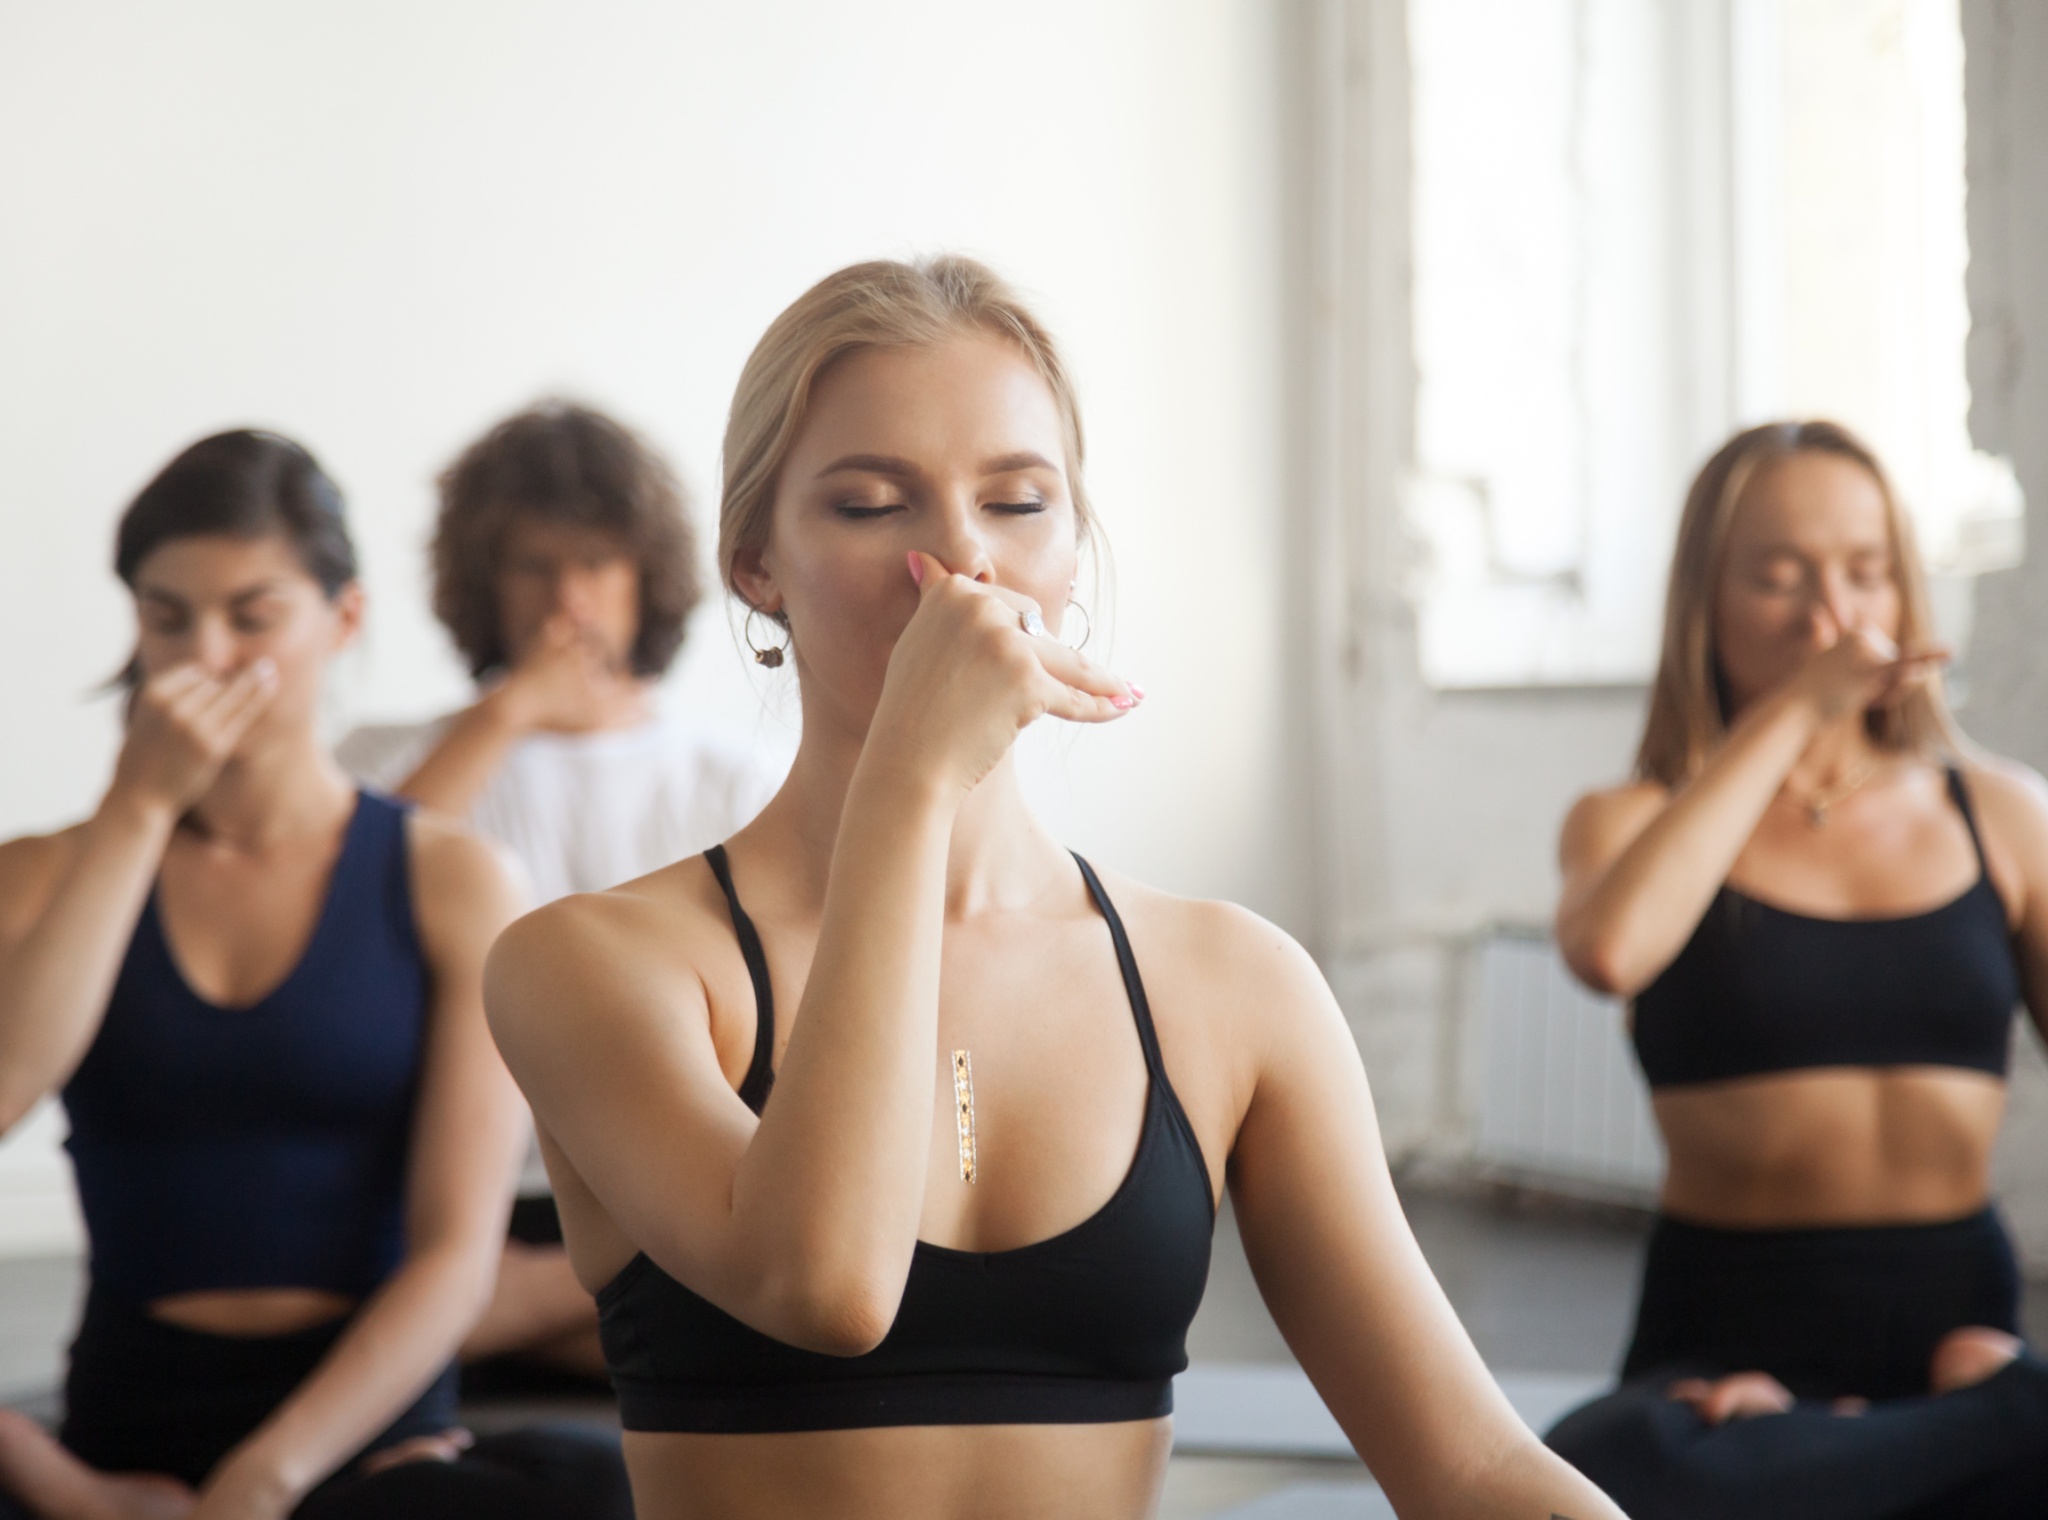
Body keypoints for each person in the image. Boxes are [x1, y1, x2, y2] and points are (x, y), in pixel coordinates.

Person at [483, 256, 1627, 1520]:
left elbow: (1467, 1463)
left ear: (1072, 550)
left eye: (1019, 501)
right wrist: (909, 790)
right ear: (757, 563)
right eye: (870, 506)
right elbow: (828, 1284)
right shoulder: (594, 961)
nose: (961, 560)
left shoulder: (1230, 984)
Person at [0, 431, 632, 1520]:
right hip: (116, 1445)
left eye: (252, 615)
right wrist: (65, 1484)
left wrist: (267, 1475)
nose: (205, 654)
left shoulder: (451, 876)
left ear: (341, 619)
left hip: (368, 1443)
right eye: (167, 618)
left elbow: (454, 1253)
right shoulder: (48, 872)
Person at [1543, 420, 2048, 1518]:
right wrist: (1791, 713)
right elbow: (1607, 950)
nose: (1831, 616)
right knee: (1597, 1476)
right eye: (1777, 577)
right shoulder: (1627, 820)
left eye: (1865, 573)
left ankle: (1941, 1419)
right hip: (1723, 1333)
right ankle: (1988, 1416)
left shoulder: (2000, 814)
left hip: (1953, 1306)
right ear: (1704, 604)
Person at [339, 402, 782, 1381]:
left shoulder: (732, 777)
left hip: (667, 1178)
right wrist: (509, 712)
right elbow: (340, 916)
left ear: (644, 577)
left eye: (595, 564)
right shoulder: (386, 757)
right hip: (454, 1187)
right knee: (723, 1326)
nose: (567, 599)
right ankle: (593, 1317)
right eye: (533, 566)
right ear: (484, 583)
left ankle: (479, 1321)